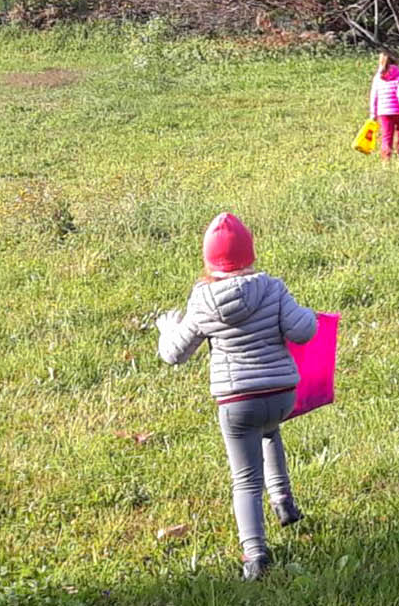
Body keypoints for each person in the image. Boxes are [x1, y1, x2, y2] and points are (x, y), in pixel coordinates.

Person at [156, 213, 319, 581]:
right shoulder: (273, 288)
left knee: (245, 479)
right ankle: (283, 502)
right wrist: (306, 313)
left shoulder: (201, 300)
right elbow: (304, 330)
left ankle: (255, 555)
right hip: (280, 396)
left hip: (236, 402)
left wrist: (167, 328)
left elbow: (175, 354)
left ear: (208, 261)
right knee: (270, 430)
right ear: (250, 254)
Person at [368, 51, 399, 161]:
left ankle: (386, 159)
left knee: (387, 136)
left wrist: (373, 113)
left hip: (383, 112)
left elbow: (374, 95)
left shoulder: (378, 77)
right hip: (398, 111)